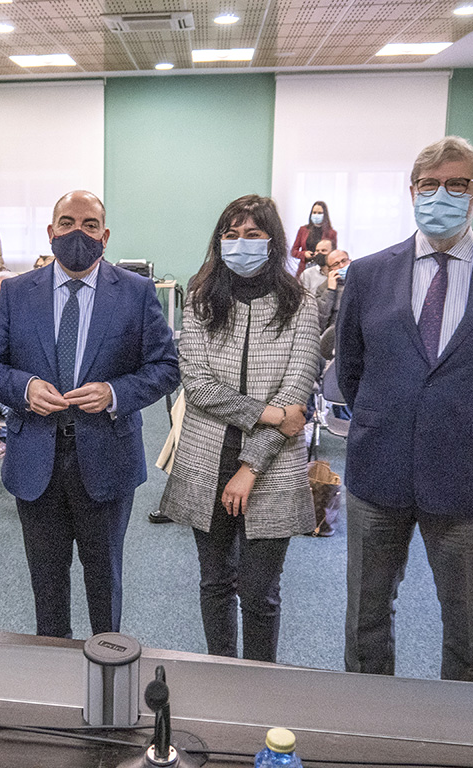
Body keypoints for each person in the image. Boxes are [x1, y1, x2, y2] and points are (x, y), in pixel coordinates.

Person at [336, 136, 473, 683]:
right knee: (365, 620)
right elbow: (351, 371)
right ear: (412, 192)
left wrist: (472, 426)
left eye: (457, 184)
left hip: (468, 474)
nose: (440, 196)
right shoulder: (367, 274)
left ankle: (464, 726)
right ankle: (365, 720)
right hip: (378, 469)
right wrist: (390, 418)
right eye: (429, 185)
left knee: (468, 629)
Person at [0, 190, 179, 639]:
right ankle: (53, 665)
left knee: (104, 578)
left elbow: (166, 367)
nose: (77, 233)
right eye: (67, 223)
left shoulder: (136, 292)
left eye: (90, 225)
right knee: (46, 581)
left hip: (107, 456)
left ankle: (108, 667)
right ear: (51, 232)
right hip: (35, 457)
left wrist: (114, 392)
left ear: (104, 236)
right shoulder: (17, 293)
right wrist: (24, 388)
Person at [159, 195, 319, 661]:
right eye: (231, 235)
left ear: (273, 241)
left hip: (272, 465)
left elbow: (296, 393)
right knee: (215, 583)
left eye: (252, 234)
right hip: (205, 458)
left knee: (260, 592)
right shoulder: (200, 299)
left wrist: (250, 467)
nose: (240, 243)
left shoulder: (301, 304)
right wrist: (271, 414)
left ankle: (259, 683)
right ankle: (220, 672)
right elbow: (198, 386)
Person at [290, 201, 337, 276]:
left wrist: (321, 254)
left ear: (325, 214)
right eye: (314, 212)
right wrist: (304, 254)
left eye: (319, 213)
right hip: (304, 268)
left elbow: (333, 254)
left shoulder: (331, 233)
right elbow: (293, 251)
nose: (316, 215)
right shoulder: (303, 230)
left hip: (323, 270)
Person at [316, 249, 351, 333]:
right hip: (336, 333)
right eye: (336, 264)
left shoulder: (362, 281)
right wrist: (330, 290)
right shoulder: (322, 289)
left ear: (350, 261)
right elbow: (321, 322)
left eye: (344, 261)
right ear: (330, 270)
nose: (341, 265)